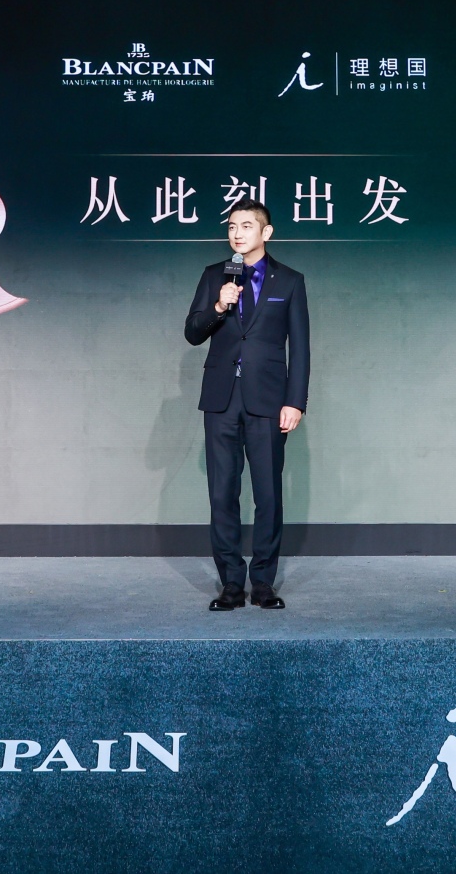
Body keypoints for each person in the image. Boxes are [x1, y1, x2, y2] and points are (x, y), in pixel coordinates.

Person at [183, 198, 310, 611]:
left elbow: (300, 347)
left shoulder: (290, 281)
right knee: (222, 493)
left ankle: (264, 583)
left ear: (266, 232)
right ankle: (231, 585)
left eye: (246, 226)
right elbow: (193, 332)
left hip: (269, 400)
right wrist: (219, 306)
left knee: (268, 493)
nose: (237, 234)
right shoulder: (214, 275)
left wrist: (295, 401)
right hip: (221, 399)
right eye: (232, 227)